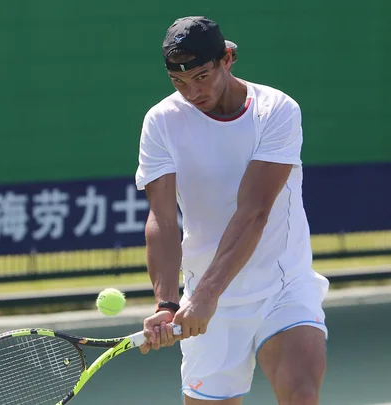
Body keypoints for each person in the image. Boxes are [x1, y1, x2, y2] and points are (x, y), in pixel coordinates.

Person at [134, 16, 330, 405]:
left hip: (283, 286)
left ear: (227, 59)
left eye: (201, 76)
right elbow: (163, 219)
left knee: (301, 395)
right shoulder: (161, 121)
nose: (192, 91)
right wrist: (168, 302)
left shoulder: (276, 110)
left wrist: (206, 293)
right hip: (206, 304)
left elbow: (254, 210)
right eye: (179, 81)